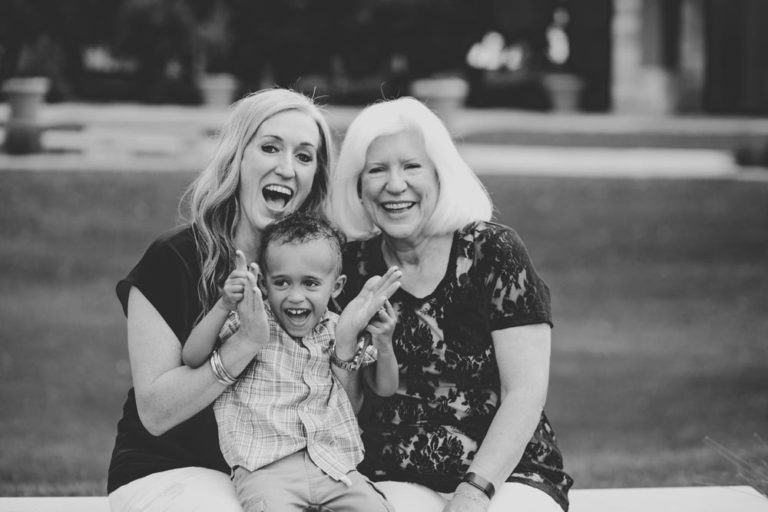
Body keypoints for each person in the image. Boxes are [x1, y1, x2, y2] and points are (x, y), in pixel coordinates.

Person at [328, 97, 573, 512]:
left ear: (441, 175)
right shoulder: (349, 269)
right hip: (394, 475)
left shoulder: (492, 252)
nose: (394, 184)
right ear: (358, 187)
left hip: (504, 475)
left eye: (411, 166)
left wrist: (473, 494)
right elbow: (341, 401)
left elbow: (525, 392)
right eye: (377, 170)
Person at [108, 88, 340, 512]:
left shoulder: (316, 273)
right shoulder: (173, 258)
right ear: (237, 158)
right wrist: (244, 344)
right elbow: (156, 412)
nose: (287, 168)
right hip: (171, 469)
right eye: (270, 147)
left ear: (315, 180)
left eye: (305, 157)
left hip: (277, 475)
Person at [180, 212, 401, 511]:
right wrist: (224, 305)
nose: (296, 296)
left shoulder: (339, 329)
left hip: (333, 466)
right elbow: (192, 357)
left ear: (336, 287)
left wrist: (384, 342)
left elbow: (385, 387)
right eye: (282, 282)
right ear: (264, 283)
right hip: (266, 468)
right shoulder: (251, 322)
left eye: (310, 283)